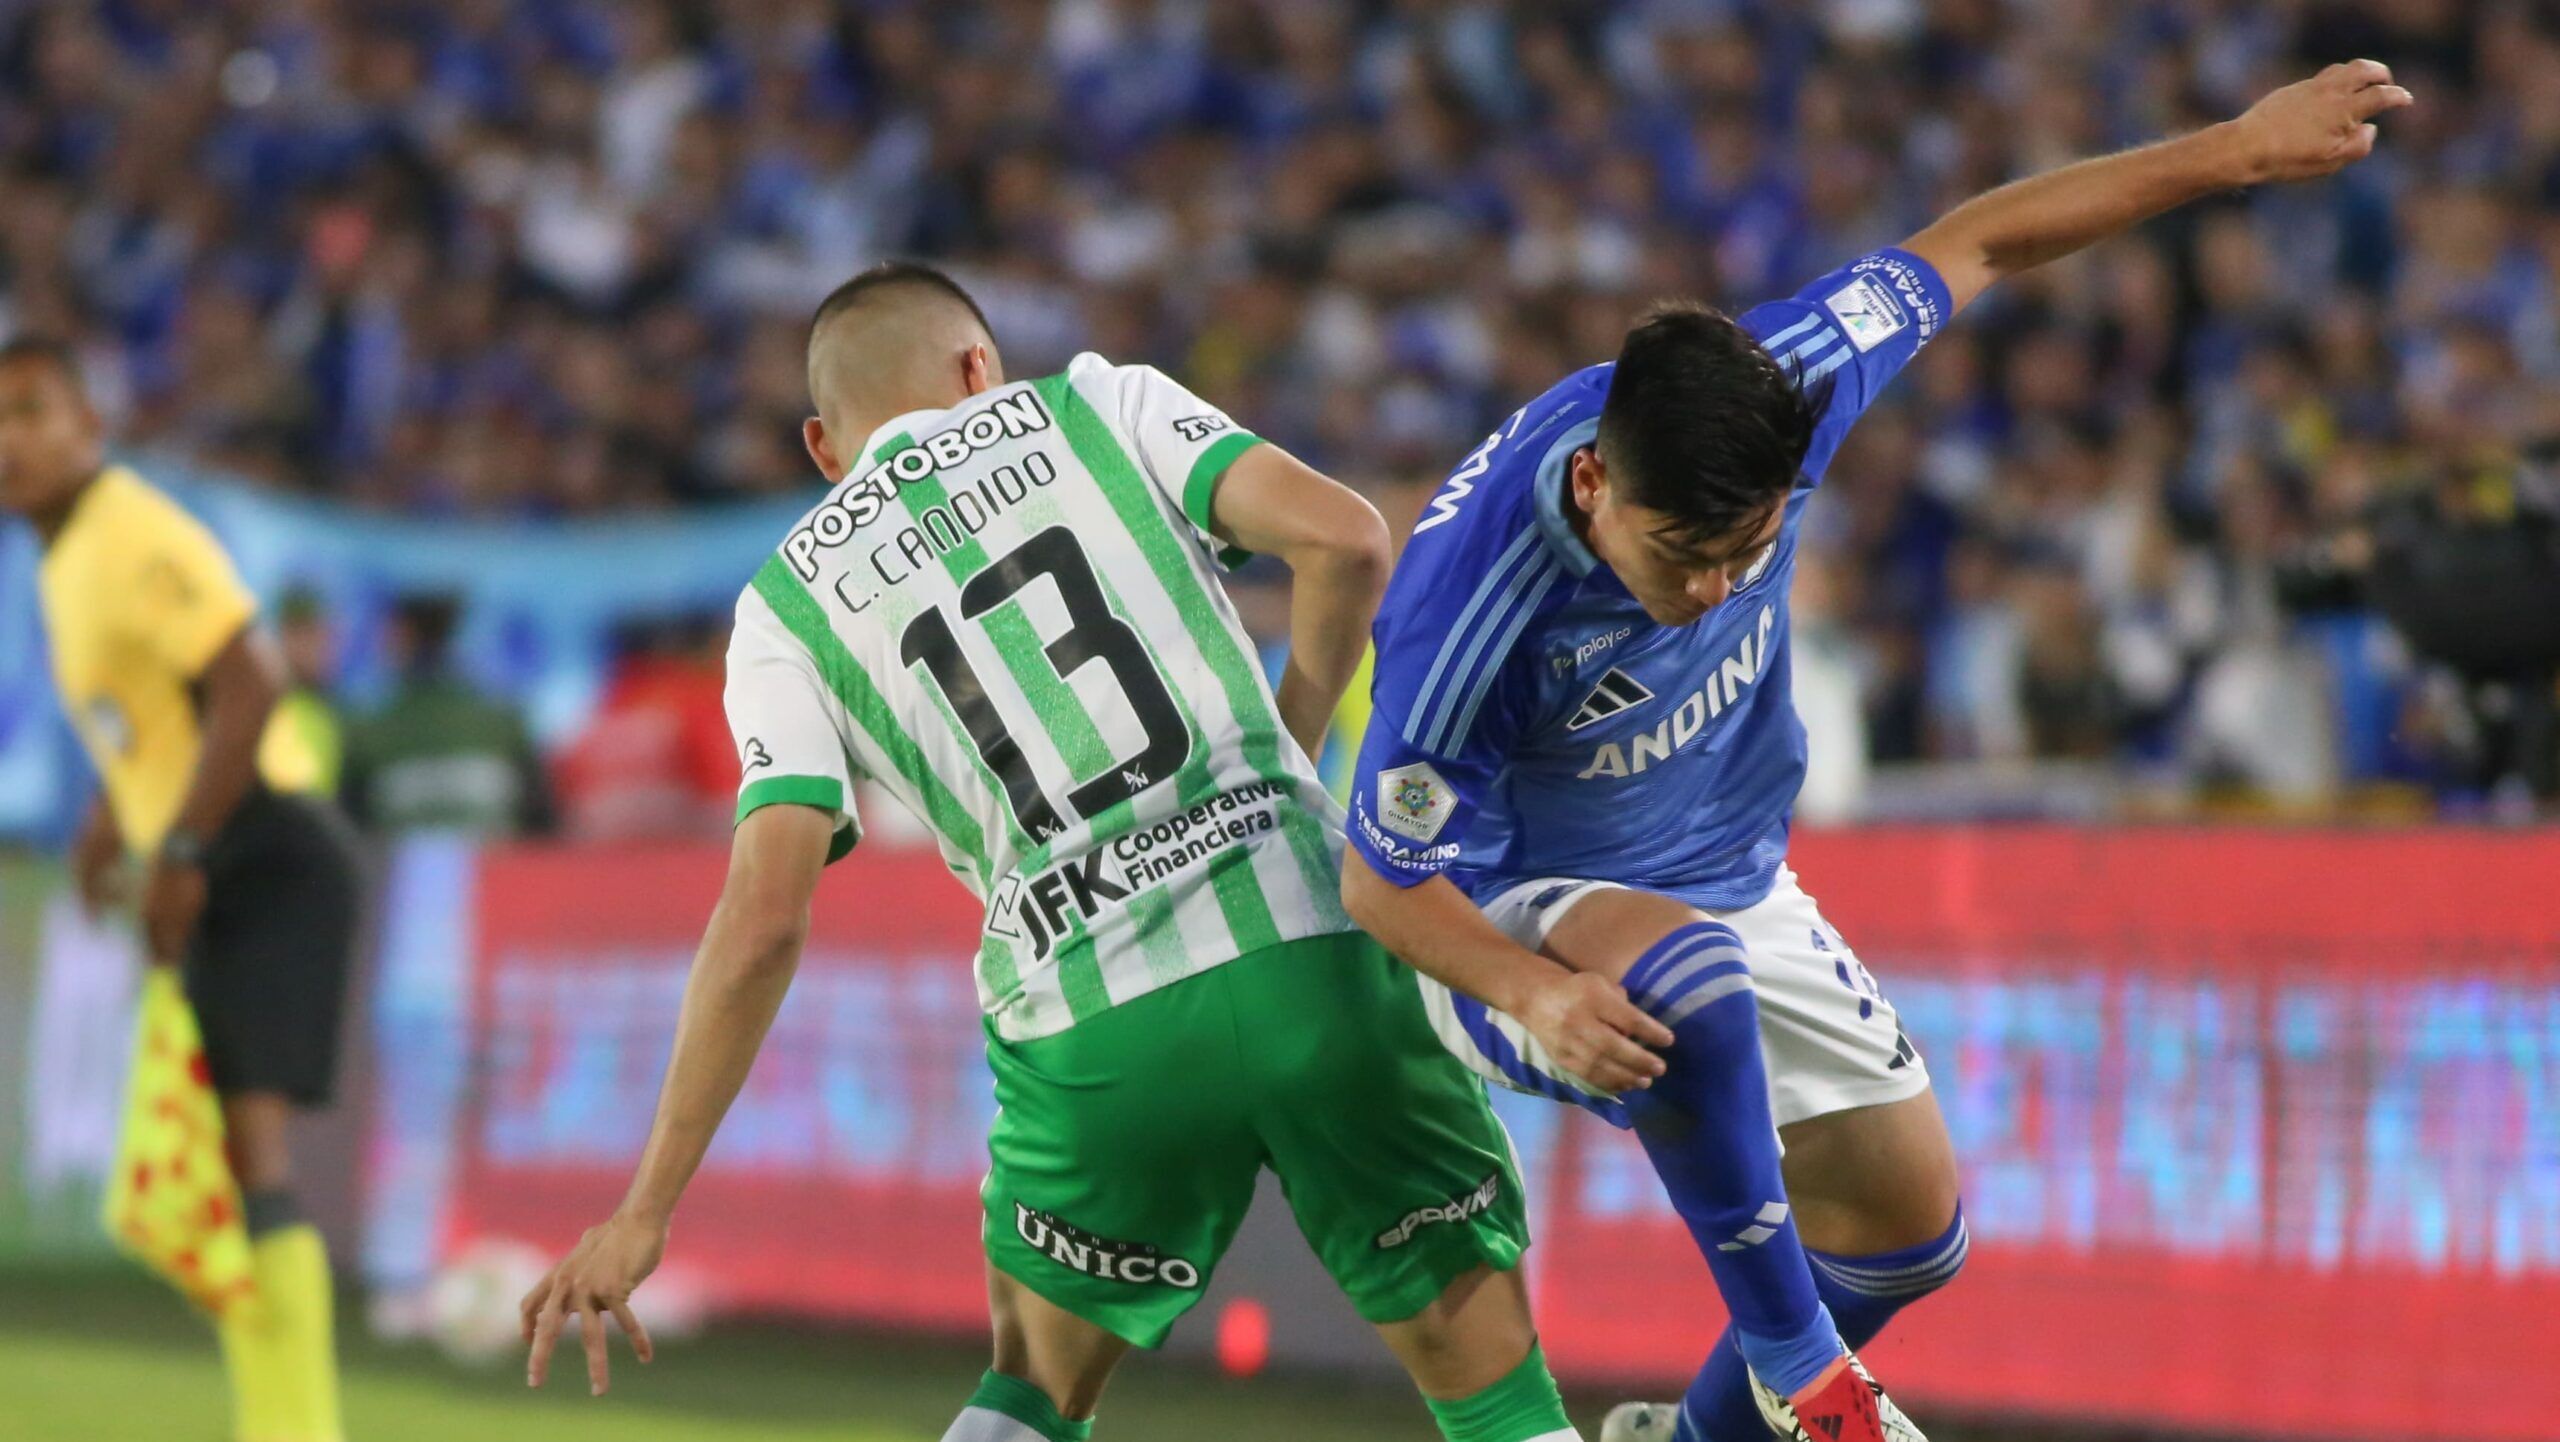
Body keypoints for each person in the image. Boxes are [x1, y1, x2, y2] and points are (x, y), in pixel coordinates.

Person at [1339, 64, 2414, 1442]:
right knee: (1686, 980)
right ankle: (1807, 1375)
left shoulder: (1789, 377)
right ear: (1599, 485)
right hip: (1504, 916)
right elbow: (1382, 879)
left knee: (1908, 1234)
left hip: (1728, 874)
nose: (1720, 588)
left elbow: (1976, 240)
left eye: (1753, 548)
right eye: (1684, 556)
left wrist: (2240, 155)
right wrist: (1527, 995)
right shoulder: (1470, 605)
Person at [520, 262, 1587, 1442]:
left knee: (1030, 1394)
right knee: (1492, 1388)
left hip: (1092, 1028)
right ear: (982, 368)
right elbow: (1346, 539)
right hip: (1315, 954)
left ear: (825, 446)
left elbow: (764, 916)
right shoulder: (1098, 406)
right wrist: (1286, 729)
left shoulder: (783, 606)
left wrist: (645, 1207)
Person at [0, 336, 363, 1442]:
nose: (8, 439)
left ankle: (297, 1430)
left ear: (91, 430)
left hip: (267, 852)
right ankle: (280, 1423)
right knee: (209, 1167)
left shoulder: (130, 532)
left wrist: (185, 851)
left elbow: (252, 681)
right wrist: (113, 823)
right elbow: (152, 722)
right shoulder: (64, 557)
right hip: (220, 848)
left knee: (246, 1154)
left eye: (31, 411)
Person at [340, 591, 554, 838]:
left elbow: (349, 830)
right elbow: (543, 826)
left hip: (399, 874)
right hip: (496, 872)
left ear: (404, 635)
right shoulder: (505, 722)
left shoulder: (367, 731)